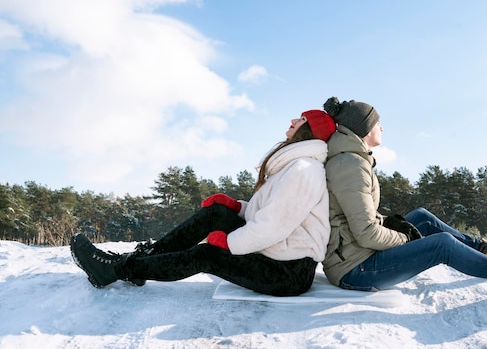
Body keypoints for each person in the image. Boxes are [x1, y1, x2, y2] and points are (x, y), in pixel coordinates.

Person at [321, 96, 487, 295]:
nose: (382, 128)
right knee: (441, 244)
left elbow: (357, 217)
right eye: (377, 123)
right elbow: (366, 233)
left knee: (421, 218)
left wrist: (400, 227)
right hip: (355, 270)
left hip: (355, 254)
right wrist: (407, 239)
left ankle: (486, 251)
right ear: (364, 128)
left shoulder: (352, 160)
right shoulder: (350, 166)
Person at [70, 108, 337, 296]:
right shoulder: (293, 168)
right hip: (275, 252)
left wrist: (229, 243)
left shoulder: (304, 171)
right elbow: (269, 213)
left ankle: (118, 270)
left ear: (310, 131)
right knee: (216, 213)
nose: (293, 119)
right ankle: (144, 260)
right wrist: (236, 207)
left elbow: (273, 226)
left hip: (287, 272)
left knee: (207, 254)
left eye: (301, 119)